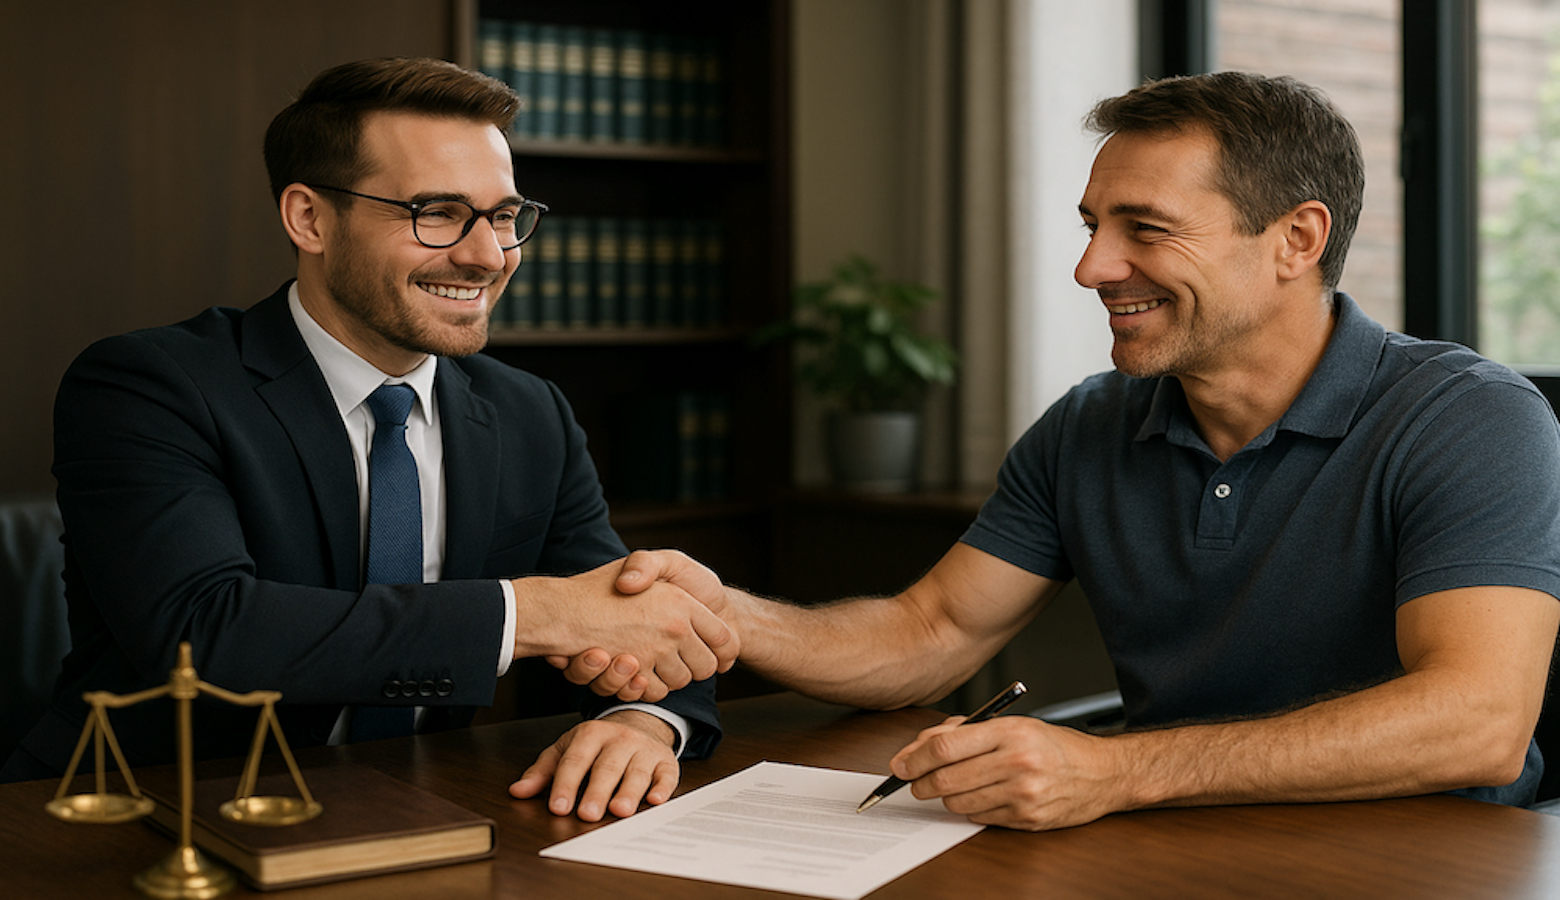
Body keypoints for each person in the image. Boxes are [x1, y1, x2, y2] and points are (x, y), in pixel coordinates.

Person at [599, 71, 1560, 830]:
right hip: (1171, 840)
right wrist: (730, 614)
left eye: (1144, 229)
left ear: (1296, 239)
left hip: (1429, 862)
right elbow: (932, 634)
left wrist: (1112, 769)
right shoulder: (1092, 423)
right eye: (1094, 226)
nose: (1092, 266)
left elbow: (1476, 721)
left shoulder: (1468, 416)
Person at [0, 57, 736, 824]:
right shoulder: (148, 384)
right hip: (143, 816)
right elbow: (203, 632)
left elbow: (636, 618)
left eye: (506, 215)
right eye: (438, 212)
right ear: (309, 219)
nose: (489, 255)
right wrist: (535, 613)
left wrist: (643, 722)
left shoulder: (529, 412)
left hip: (417, 809)